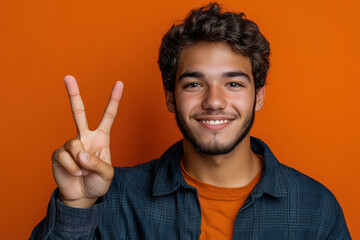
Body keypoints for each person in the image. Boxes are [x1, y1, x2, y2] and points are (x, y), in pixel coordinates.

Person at [30, 2, 351, 239]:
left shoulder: (316, 210)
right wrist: (77, 206)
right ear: (171, 97)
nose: (214, 101)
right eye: (194, 84)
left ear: (259, 95)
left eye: (234, 83)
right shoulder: (112, 198)